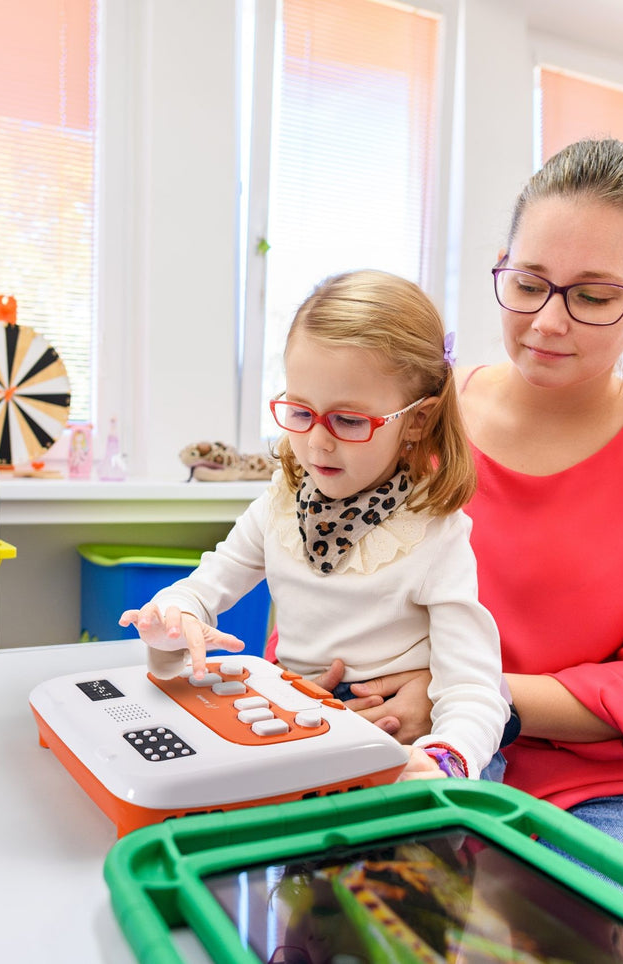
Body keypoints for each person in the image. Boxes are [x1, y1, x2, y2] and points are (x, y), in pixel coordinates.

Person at [316, 139, 623, 896]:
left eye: (592, 295)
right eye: (529, 282)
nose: (548, 322)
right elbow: (321, 591)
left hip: (601, 796)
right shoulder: (417, 418)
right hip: (398, 753)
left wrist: (464, 693)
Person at [119, 270, 512, 781]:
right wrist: (175, 618)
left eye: (349, 421)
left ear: (417, 420)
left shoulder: (435, 533)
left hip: (410, 740)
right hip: (299, 720)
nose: (318, 443)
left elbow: (474, 687)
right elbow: (204, 586)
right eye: (301, 412)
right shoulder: (279, 506)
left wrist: (445, 758)